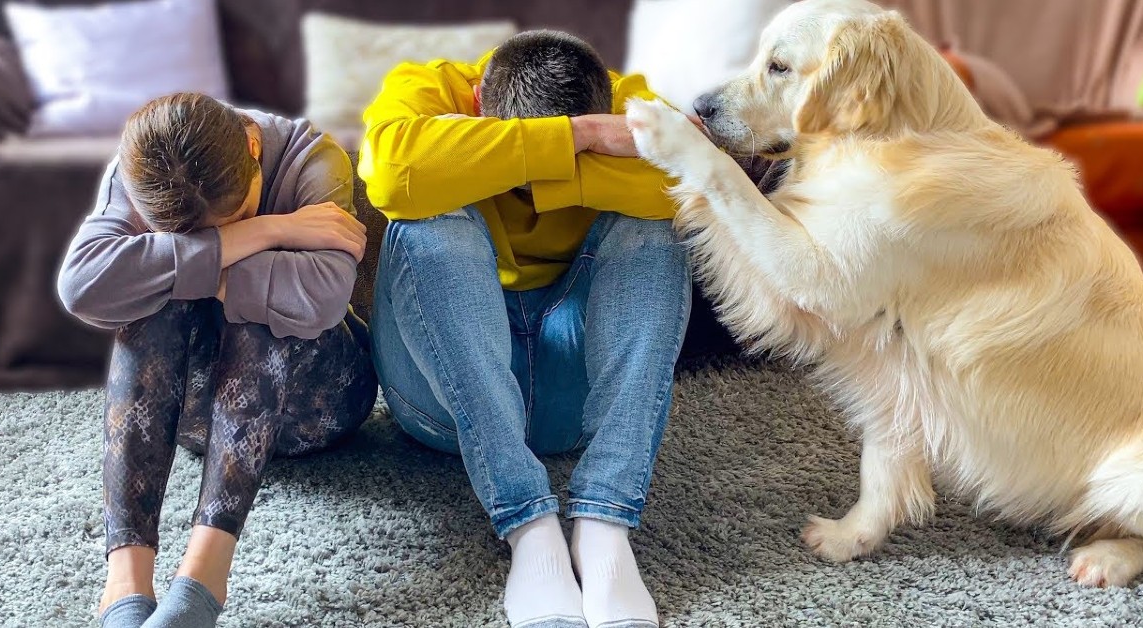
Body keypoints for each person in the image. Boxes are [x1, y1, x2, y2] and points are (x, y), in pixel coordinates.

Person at [360, 30, 691, 628]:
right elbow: (387, 175)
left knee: (656, 229)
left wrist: (513, 163)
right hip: (446, 400)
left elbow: (691, 182)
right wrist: (581, 142)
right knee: (423, 220)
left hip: (575, 396)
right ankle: (529, 526)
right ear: (480, 98)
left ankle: (605, 522)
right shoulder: (428, 88)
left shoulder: (630, 100)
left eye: (594, 124)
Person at [57, 93, 378, 628]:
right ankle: (126, 581)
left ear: (253, 146)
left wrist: (182, 266)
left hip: (321, 401)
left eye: (240, 214)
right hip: (200, 418)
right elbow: (83, 285)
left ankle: (202, 582)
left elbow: (322, 298)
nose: (227, 232)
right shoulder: (141, 168)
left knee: (253, 305)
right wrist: (265, 231)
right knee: (153, 307)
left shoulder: (312, 156)